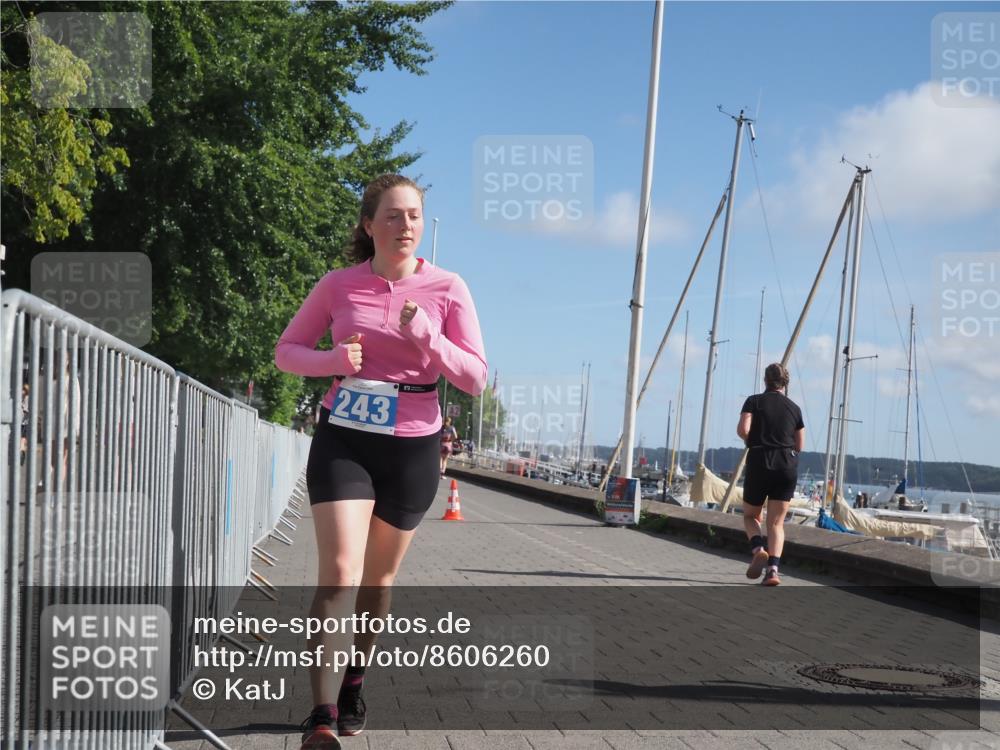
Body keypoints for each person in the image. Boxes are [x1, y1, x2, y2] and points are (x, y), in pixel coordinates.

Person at [274, 174, 487, 750]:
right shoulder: (339, 284)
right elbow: (286, 352)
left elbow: (474, 378)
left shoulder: (448, 287)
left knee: (378, 580)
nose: (406, 226)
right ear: (369, 225)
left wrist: (429, 339)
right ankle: (320, 715)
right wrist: (334, 359)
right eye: (393, 216)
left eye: (414, 215)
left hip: (414, 443)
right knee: (340, 572)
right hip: (345, 435)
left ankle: (353, 682)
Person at [736, 363, 805, 586]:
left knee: (750, 516)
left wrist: (752, 440)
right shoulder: (795, 408)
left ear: (765, 380)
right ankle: (773, 571)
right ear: (785, 383)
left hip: (760, 460)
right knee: (776, 523)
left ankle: (757, 548)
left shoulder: (753, 401)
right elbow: (799, 444)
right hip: (786, 464)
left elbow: (743, 430)